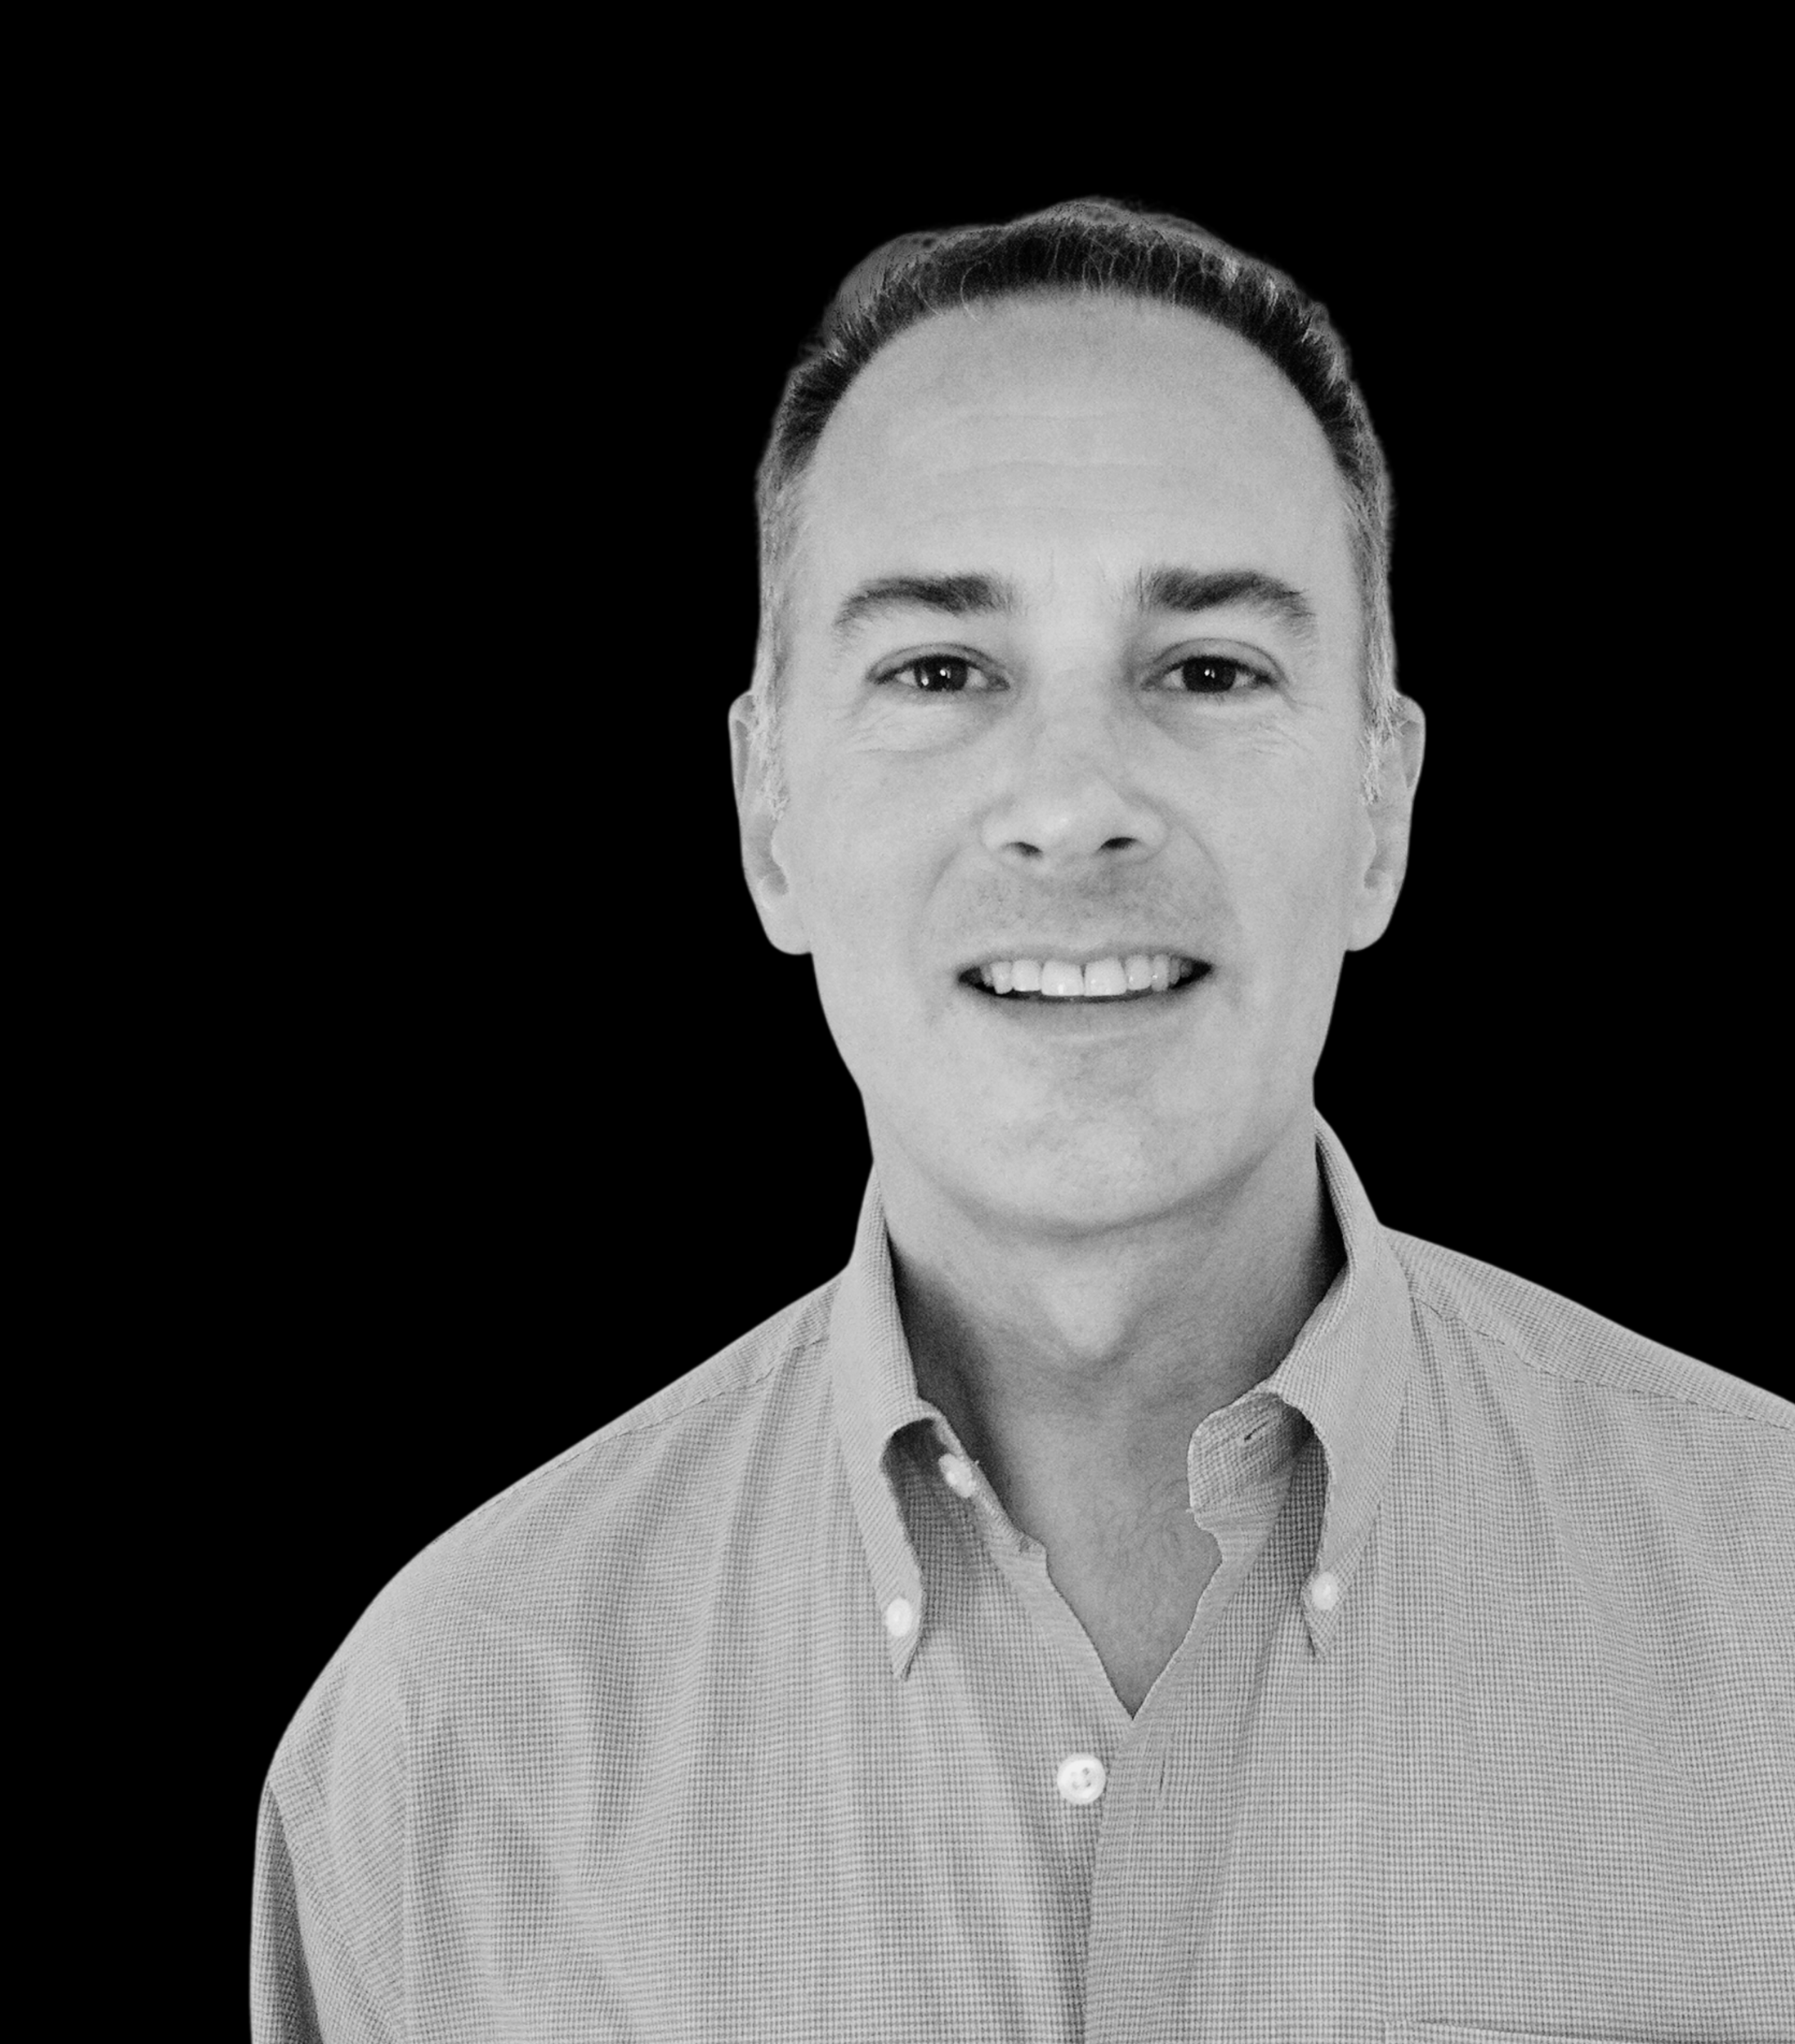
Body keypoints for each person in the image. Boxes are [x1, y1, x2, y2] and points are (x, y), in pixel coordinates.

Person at [250, 200, 1794, 2042]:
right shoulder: (446, 1744)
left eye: (1206, 667)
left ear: (1378, 804)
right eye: (938, 672)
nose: (1071, 805)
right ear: (768, 812)